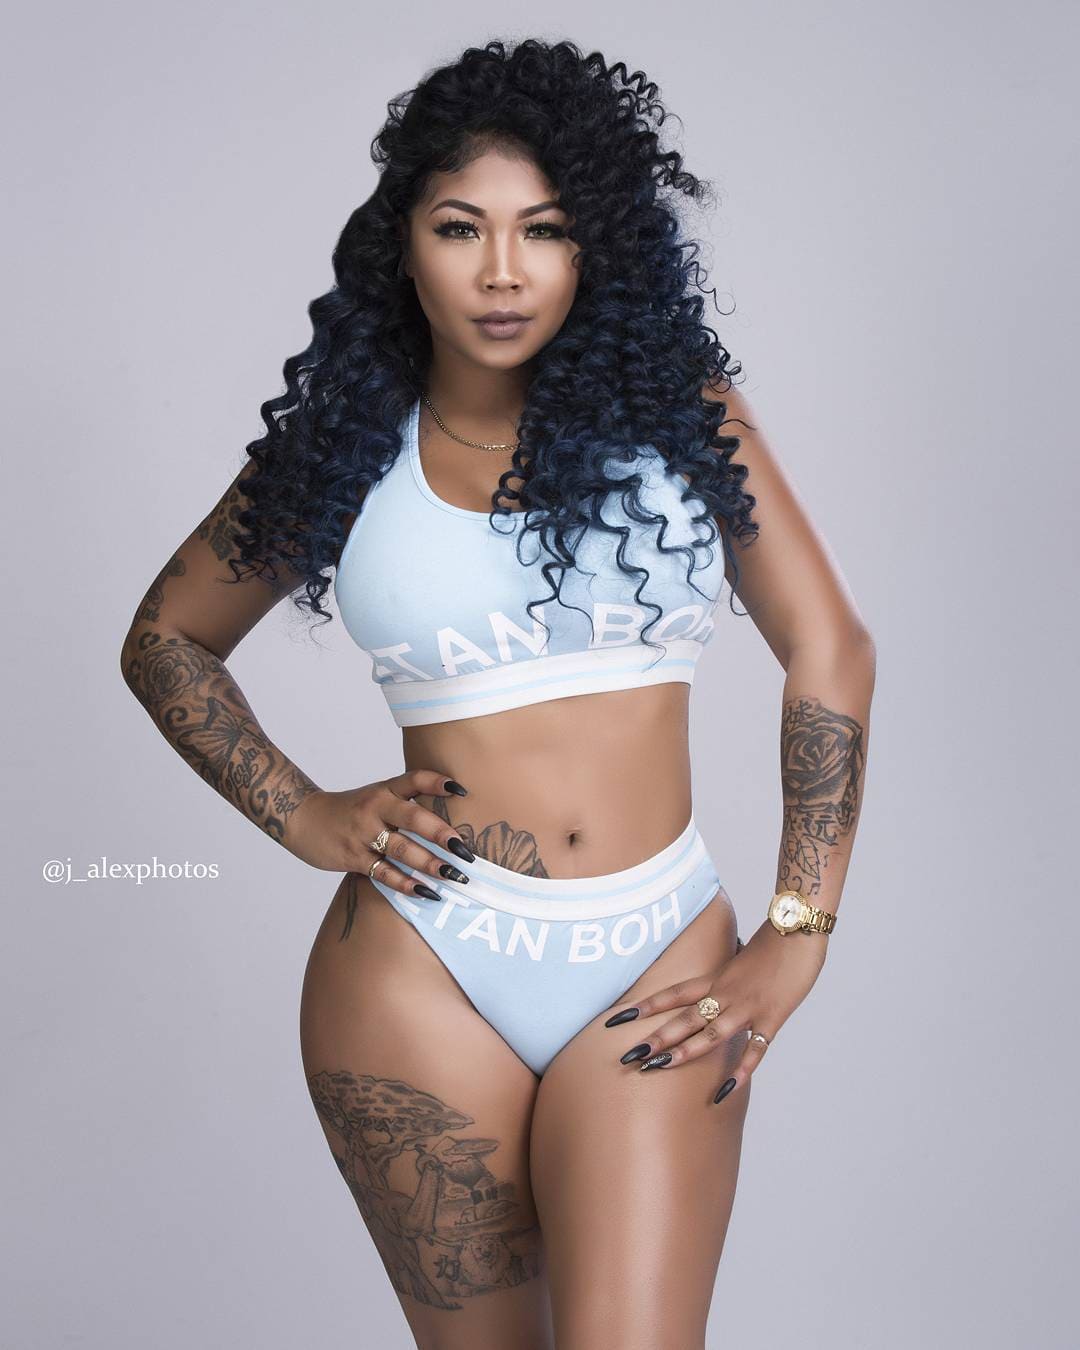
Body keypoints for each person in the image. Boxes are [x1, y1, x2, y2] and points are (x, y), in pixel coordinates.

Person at [120, 37, 876, 1350]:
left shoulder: (685, 418)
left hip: (655, 953)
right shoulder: (346, 448)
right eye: (461, 227)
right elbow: (167, 637)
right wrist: (304, 813)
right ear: (404, 245)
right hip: (416, 971)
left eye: (546, 229)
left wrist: (798, 927)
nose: (504, 270)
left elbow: (831, 647)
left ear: (596, 248)